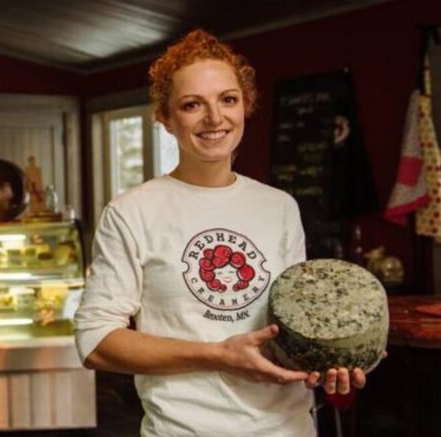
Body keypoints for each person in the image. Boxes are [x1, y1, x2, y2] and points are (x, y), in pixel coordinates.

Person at [74, 29, 367, 436]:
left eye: (228, 99)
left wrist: (334, 357)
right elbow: (96, 341)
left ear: (246, 106)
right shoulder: (132, 211)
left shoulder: (279, 206)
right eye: (193, 104)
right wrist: (218, 355)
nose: (215, 118)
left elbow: (297, 322)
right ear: (165, 117)